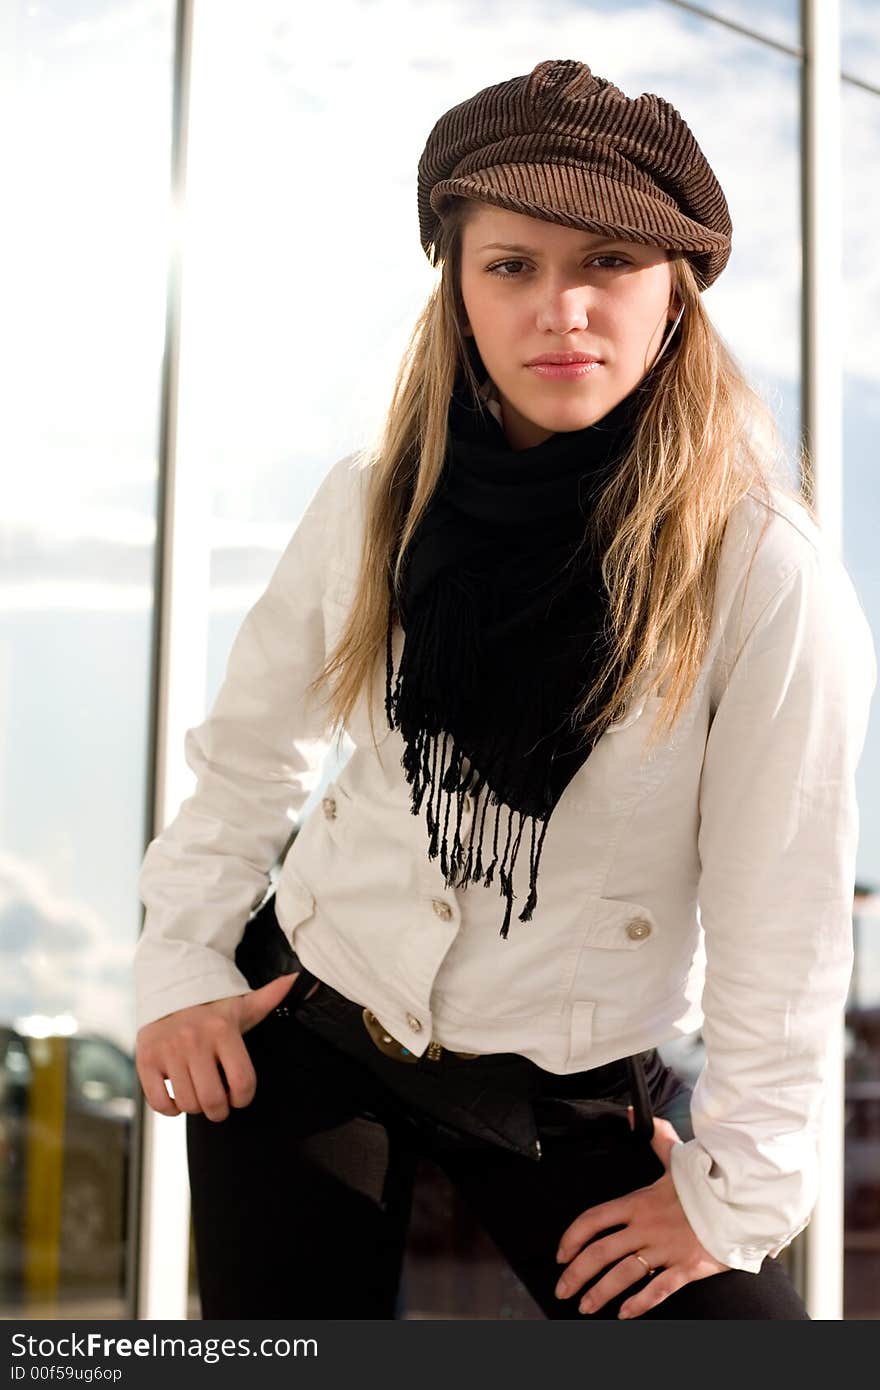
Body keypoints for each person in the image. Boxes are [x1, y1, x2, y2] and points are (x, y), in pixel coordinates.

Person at [133, 59, 876, 1320]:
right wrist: (180, 965)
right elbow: (250, 754)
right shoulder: (379, 501)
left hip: (567, 1085)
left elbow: (784, 919)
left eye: (607, 264)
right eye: (511, 265)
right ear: (458, 292)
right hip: (310, 1024)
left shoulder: (761, 572)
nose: (561, 308)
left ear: (675, 297)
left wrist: (735, 1193)